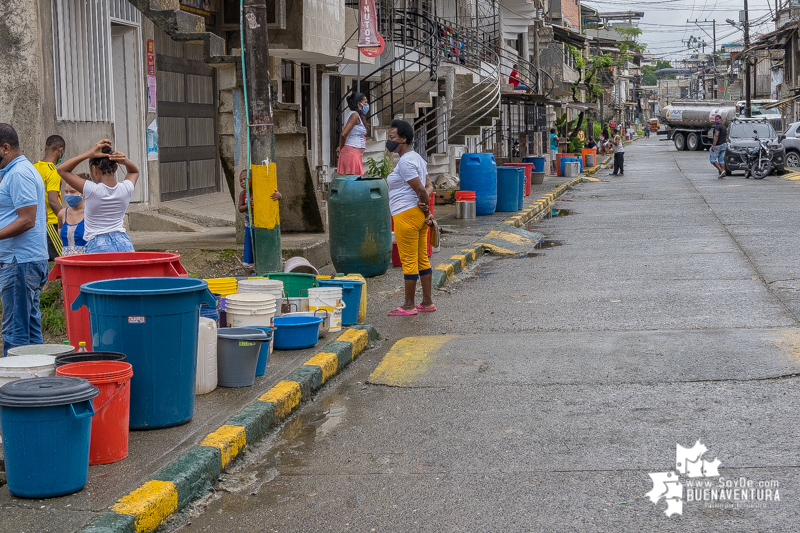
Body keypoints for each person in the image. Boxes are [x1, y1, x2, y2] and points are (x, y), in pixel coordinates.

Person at [0, 124, 49, 356]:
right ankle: (40, 387)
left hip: (20, 262)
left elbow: (27, 219)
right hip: (24, 261)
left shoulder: (19, 174)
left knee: (16, 334)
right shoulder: (15, 172)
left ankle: (16, 389)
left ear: (5, 148)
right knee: (29, 330)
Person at [385, 119, 435, 316]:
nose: (389, 141)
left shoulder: (406, 162)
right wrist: (425, 210)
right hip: (416, 215)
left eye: (392, 137)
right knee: (422, 258)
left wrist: (424, 206)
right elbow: (430, 187)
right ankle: (427, 302)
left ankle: (408, 305)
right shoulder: (417, 158)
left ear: (404, 139)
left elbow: (421, 189)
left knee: (408, 260)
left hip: (405, 214)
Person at [57, 139, 139, 253]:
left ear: (94, 169)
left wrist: (88, 154)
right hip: (123, 243)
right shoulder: (125, 188)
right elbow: (134, 172)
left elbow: (62, 170)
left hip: (99, 245)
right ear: (115, 168)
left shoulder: (91, 190)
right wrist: (124, 161)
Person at [238, 169, 281, 268]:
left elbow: (276, 196)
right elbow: (240, 209)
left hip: (263, 224)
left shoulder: (262, 190)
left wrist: (278, 196)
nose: (243, 182)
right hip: (249, 224)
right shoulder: (243, 194)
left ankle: (266, 263)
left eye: (245, 179)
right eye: (241, 180)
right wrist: (249, 205)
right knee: (249, 244)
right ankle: (249, 265)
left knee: (263, 244)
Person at [33, 134, 66, 260]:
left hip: (39, 222)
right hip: (51, 223)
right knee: (62, 257)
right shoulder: (53, 172)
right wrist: (66, 219)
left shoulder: (34, 167)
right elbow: (53, 201)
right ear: (60, 150)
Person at [336, 92, 370, 176]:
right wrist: (341, 147)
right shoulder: (354, 115)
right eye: (365, 102)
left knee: (355, 181)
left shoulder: (357, 115)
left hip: (355, 152)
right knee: (353, 181)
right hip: (351, 152)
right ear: (359, 104)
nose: (367, 104)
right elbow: (344, 134)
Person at [57, 174, 88, 256]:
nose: (68, 195)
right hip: (67, 262)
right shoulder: (62, 213)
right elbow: (60, 228)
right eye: (66, 191)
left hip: (87, 262)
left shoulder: (92, 213)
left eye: (72, 192)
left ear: (83, 192)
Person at [710, 114, 727, 179]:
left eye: (717, 119)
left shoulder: (717, 127)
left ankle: (721, 170)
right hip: (723, 145)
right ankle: (723, 173)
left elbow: (716, 136)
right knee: (721, 159)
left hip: (718, 145)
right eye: (715, 119)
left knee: (712, 159)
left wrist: (713, 145)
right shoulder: (724, 127)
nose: (716, 121)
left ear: (721, 120)